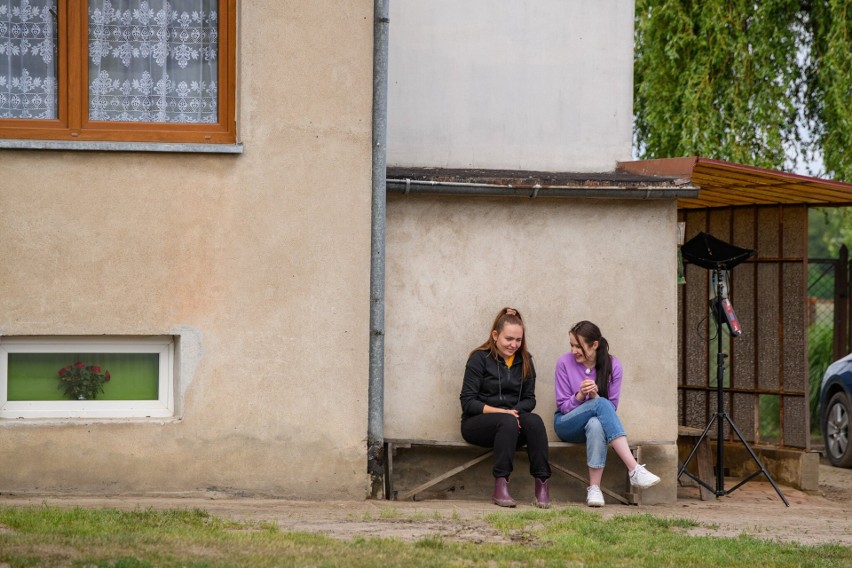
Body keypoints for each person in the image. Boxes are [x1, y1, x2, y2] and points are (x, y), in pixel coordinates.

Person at [553, 320, 660, 507]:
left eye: (578, 346)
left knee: (596, 423)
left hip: (593, 423)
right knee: (601, 404)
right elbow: (563, 406)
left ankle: (594, 489)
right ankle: (633, 469)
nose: (573, 350)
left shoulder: (613, 366)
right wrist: (580, 395)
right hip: (566, 423)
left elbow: (611, 409)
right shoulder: (564, 362)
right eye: (571, 345)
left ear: (594, 345)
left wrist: (594, 395)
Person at [460, 307, 552, 508]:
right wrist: (504, 413)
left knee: (535, 421)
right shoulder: (479, 359)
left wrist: (515, 413)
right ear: (495, 335)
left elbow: (530, 399)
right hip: (478, 424)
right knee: (507, 420)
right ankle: (500, 486)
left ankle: (542, 485)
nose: (513, 345)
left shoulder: (525, 360)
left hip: (512, 423)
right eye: (508, 339)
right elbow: (468, 402)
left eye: (518, 340)